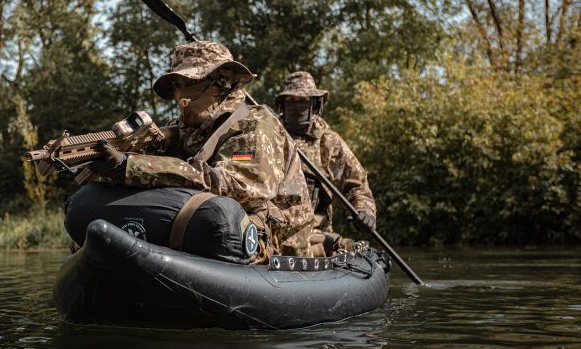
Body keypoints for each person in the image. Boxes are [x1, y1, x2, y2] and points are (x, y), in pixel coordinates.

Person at [89, 41, 314, 259]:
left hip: (277, 249)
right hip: (207, 235)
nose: (181, 94)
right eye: (176, 85)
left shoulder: (255, 124)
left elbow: (240, 188)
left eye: (190, 82)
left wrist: (133, 166)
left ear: (222, 83)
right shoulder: (180, 129)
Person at [275, 71, 376, 257]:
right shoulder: (267, 136)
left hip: (313, 235)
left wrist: (365, 211)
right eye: (291, 101)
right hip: (270, 231)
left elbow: (357, 184)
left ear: (314, 105)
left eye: (302, 101)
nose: (296, 107)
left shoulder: (328, 142)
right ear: (282, 104)